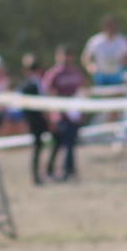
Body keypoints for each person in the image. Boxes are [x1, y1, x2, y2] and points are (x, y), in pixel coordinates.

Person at [41, 45, 87, 182]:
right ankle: (52, 170)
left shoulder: (76, 73)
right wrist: (49, 117)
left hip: (73, 115)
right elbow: (47, 95)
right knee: (58, 144)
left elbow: (82, 92)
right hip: (59, 116)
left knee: (70, 143)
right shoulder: (53, 74)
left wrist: (81, 112)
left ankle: (69, 171)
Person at [20, 54, 50, 185]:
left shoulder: (37, 83)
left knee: (40, 147)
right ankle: (37, 175)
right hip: (36, 121)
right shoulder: (29, 85)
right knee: (37, 147)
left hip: (39, 120)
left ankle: (44, 172)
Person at [82, 16, 127, 90]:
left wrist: (126, 61)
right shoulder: (95, 41)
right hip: (101, 75)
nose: (110, 28)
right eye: (108, 25)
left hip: (118, 75)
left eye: (112, 25)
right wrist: (90, 66)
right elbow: (86, 57)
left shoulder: (123, 41)